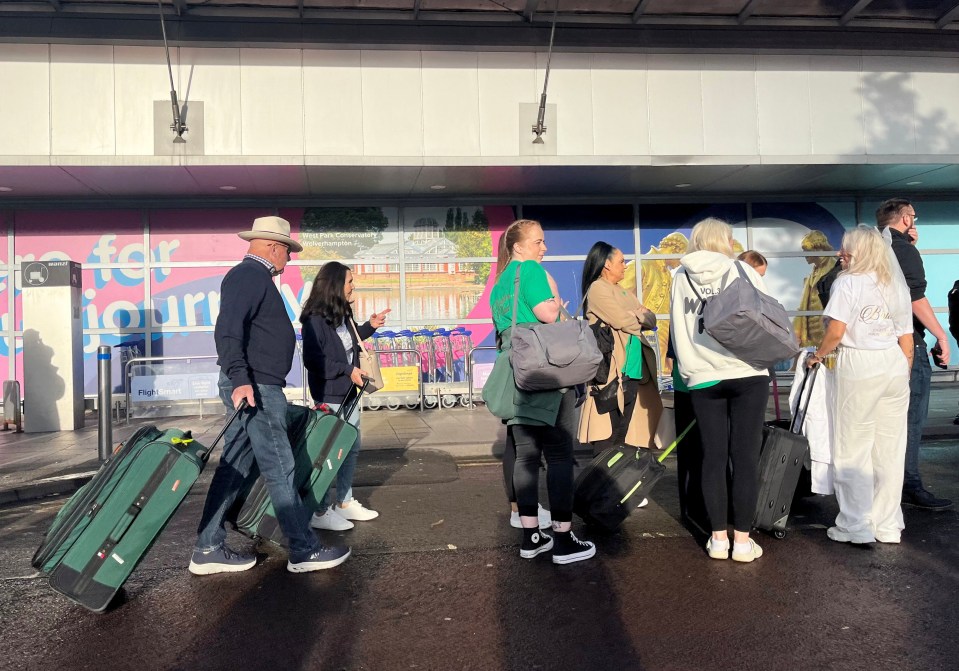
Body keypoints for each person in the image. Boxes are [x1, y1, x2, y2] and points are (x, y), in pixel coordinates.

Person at [190, 216, 350, 575]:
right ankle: (303, 551)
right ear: (274, 247)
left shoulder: (253, 278)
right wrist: (240, 378)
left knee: (235, 468)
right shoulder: (248, 276)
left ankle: (207, 547)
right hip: (256, 387)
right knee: (280, 467)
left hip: (255, 384)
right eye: (288, 252)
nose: (289, 259)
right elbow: (228, 330)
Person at [490, 218, 595, 564]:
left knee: (525, 456)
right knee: (561, 455)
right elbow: (549, 315)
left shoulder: (500, 282)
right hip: (545, 370)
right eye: (538, 242)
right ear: (519, 246)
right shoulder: (531, 271)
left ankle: (531, 536)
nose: (544, 248)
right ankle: (563, 538)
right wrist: (556, 301)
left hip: (516, 371)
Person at [669, 218, 772, 563]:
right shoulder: (743, 271)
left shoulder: (680, 277)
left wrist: (689, 367)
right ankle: (742, 541)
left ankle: (716, 539)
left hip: (703, 376)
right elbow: (766, 314)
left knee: (712, 457)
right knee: (744, 458)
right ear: (724, 240)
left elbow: (678, 327)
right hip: (746, 370)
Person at [806, 226, 913, 544]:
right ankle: (887, 524)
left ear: (860, 253)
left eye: (846, 250)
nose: (841, 254)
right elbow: (906, 337)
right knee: (890, 448)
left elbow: (837, 331)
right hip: (893, 364)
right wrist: (903, 368)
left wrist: (818, 355)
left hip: (859, 363)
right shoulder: (895, 283)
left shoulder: (848, 283)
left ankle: (856, 524)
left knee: (852, 446)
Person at [300, 261, 390, 531]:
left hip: (350, 392)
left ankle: (344, 502)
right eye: (350, 281)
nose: (354, 286)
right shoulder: (314, 320)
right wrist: (347, 369)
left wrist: (369, 326)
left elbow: (349, 342)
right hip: (330, 395)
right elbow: (314, 361)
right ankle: (319, 511)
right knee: (329, 454)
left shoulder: (343, 314)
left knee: (351, 448)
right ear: (336, 285)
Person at [876, 198, 953, 510]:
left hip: (876, 347)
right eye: (914, 217)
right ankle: (909, 483)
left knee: (882, 420)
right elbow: (914, 298)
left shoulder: (873, 250)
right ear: (906, 219)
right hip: (907, 347)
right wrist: (941, 334)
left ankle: (883, 483)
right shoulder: (903, 251)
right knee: (910, 419)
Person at [578, 241, 662, 456]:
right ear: (606, 264)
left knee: (623, 434)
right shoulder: (598, 288)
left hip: (632, 372)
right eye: (621, 261)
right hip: (611, 373)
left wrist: (636, 316)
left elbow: (651, 320)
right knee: (608, 434)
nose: (625, 265)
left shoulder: (622, 291)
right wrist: (637, 314)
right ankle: (600, 485)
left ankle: (615, 485)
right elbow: (624, 321)